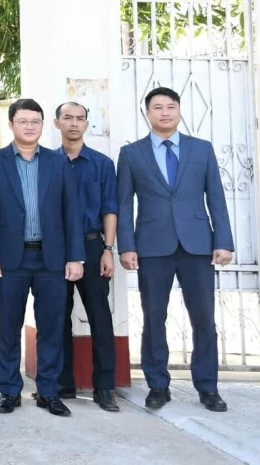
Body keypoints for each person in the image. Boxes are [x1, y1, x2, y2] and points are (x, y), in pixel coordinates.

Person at [118, 86, 233, 413]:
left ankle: (208, 387)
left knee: (204, 318)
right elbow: (124, 204)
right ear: (147, 114)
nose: (165, 112)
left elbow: (216, 197)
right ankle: (158, 385)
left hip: (197, 245)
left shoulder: (201, 149)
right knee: (154, 317)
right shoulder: (132, 154)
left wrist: (223, 241)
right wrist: (127, 246)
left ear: (179, 111)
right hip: (152, 247)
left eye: (171, 106)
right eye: (158, 107)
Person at [0, 98, 84, 417]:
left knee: (51, 327)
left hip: (51, 259)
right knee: (8, 327)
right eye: (23, 121)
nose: (29, 126)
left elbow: (71, 212)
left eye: (35, 121)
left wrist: (76, 257)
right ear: (11, 124)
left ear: (43, 125)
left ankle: (48, 391)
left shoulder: (57, 162)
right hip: (8, 260)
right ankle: (9, 391)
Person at [54, 102, 120, 411]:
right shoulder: (48, 162)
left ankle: (104, 387)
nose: (74, 123)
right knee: (57, 316)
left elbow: (110, 208)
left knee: (100, 316)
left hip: (93, 246)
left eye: (80, 118)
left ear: (86, 124)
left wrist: (108, 249)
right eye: (68, 118)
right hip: (56, 249)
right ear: (57, 123)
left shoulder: (102, 164)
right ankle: (62, 383)